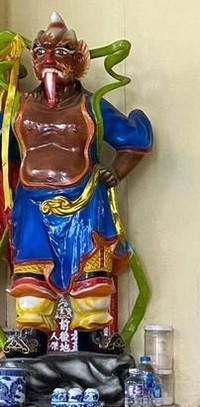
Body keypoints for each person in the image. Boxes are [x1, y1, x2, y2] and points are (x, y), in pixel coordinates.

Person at [1, 13, 153, 357]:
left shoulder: (91, 106)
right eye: (40, 52)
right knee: (31, 266)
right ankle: (32, 332)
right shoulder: (18, 107)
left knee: (90, 264)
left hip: (83, 199)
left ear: (80, 60)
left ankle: (94, 333)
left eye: (63, 52)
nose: (50, 60)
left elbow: (135, 140)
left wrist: (116, 170)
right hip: (32, 201)